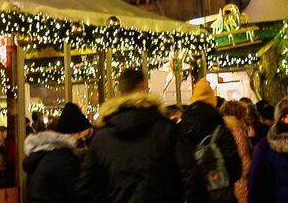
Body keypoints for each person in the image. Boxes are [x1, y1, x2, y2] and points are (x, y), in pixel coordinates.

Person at [78, 65, 207, 203]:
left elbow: (86, 188)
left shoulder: (102, 138)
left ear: (120, 92)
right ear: (144, 88)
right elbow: (192, 178)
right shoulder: (166, 130)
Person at [180, 77, 243, 199]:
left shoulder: (180, 128)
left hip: (192, 196)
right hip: (220, 196)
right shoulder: (220, 127)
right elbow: (235, 170)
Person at [24, 101, 91, 202]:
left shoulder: (51, 154)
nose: (84, 142)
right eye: (84, 136)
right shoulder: (63, 159)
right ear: (75, 134)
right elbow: (80, 194)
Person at [222, 100, 255, 202]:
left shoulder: (223, 129)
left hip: (227, 184)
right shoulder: (237, 132)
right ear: (239, 115)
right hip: (241, 185)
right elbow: (244, 164)